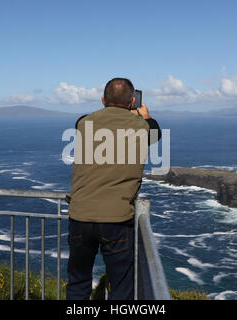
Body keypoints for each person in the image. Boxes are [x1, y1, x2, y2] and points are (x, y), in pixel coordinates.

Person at [66, 78, 161, 300]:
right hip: (116, 220)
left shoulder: (84, 123)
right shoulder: (142, 126)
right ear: (133, 101)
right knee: (121, 286)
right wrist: (144, 116)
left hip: (80, 215)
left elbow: (82, 120)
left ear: (102, 100)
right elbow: (155, 133)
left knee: (78, 282)